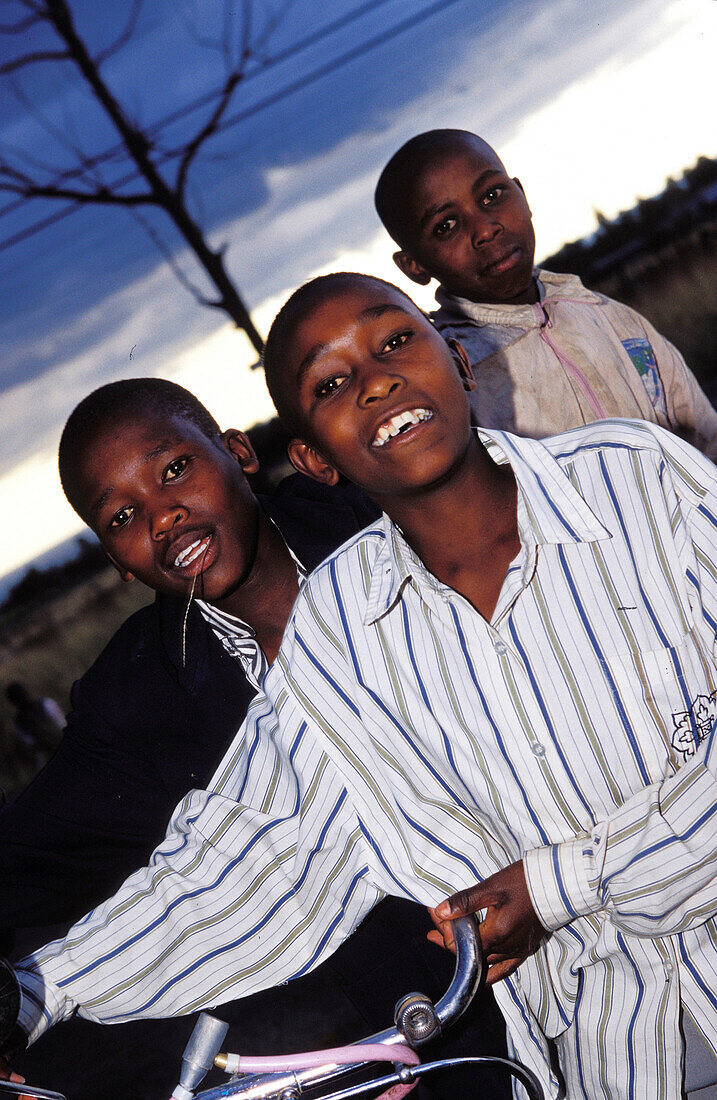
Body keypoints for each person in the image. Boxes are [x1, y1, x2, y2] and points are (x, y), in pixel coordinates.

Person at [5, 275, 717, 1099]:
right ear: (312, 455)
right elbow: (257, 853)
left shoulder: (637, 481)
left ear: (457, 357)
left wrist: (557, 885)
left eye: (392, 344)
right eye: (332, 385)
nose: (375, 381)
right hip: (616, 1048)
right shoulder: (336, 634)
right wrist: (37, 992)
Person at [1, 377, 507, 1099]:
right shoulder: (137, 692)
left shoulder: (375, 512)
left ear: (237, 451)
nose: (164, 515)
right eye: (122, 516)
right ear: (116, 560)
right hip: (420, 1030)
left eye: (174, 469)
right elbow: (33, 849)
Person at [374, 128, 717, 459]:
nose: (485, 229)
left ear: (521, 195)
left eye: (491, 196)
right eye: (446, 226)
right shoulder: (452, 377)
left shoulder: (602, 313)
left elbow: (703, 431)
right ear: (414, 266)